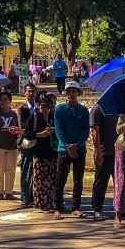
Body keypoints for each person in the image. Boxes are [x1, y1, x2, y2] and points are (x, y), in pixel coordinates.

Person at [52, 81, 90, 219]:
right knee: (60, 178)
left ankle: (76, 207)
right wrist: (69, 146)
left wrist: (77, 146)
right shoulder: (59, 110)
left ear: (78, 93)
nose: (71, 94)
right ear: (66, 93)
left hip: (80, 148)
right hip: (64, 148)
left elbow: (86, 131)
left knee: (78, 180)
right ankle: (57, 207)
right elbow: (59, 131)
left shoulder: (84, 111)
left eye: (74, 91)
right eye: (69, 91)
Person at [22, 93, 58, 212]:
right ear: (38, 106)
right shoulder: (34, 117)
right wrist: (39, 134)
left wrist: (53, 131)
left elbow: (61, 131)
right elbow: (26, 132)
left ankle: (51, 202)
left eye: (48, 106)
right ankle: (40, 203)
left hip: (52, 152)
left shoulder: (54, 116)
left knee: (51, 180)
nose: (46, 109)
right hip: (39, 152)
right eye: (43, 106)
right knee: (39, 180)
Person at [0, 91, 21, 200]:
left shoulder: (14, 114)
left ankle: (9, 192)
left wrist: (15, 133)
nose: (3, 102)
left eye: (5, 99)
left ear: (10, 102)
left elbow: (18, 129)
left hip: (12, 147)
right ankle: (0, 192)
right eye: (1, 100)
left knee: (10, 171)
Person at [89, 100, 118, 221]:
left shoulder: (119, 106)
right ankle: (97, 209)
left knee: (119, 183)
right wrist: (98, 152)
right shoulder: (97, 108)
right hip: (104, 152)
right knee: (101, 182)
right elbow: (94, 131)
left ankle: (120, 210)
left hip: (119, 152)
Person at [16, 84, 38, 207]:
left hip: (38, 143)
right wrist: (35, 132)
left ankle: (35, 197)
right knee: (25, 171)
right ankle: (25, 199)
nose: (30, 94)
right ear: (25, 93)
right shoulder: (21, 108)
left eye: (33, 91)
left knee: (36, 171)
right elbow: (22, 125)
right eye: (28, 91)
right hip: (25, 143)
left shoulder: (39, 107)